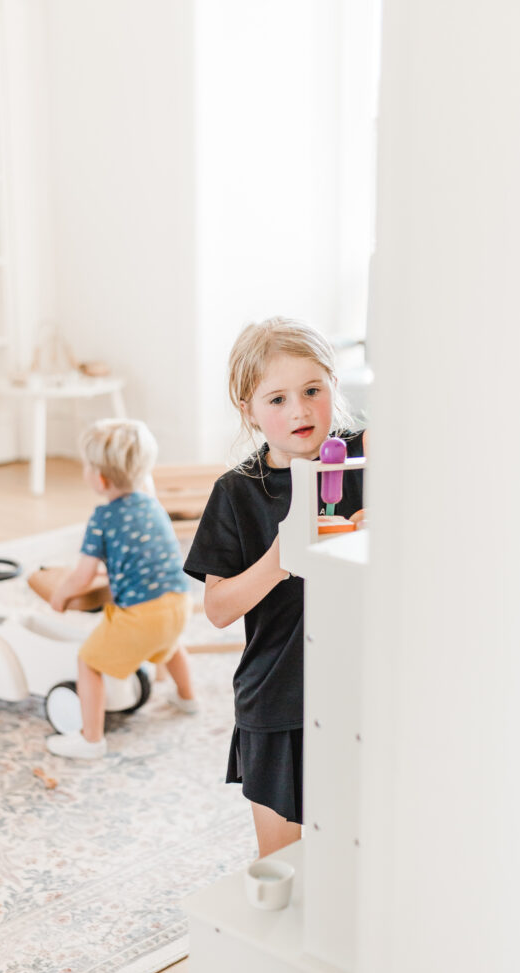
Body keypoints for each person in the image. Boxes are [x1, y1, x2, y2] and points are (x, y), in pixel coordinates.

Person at [183, 317, 365, 857]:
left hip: (360, 691)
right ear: (249, 408)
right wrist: (281, 557)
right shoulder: (237, 492)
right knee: (285, 862)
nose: (300, 411)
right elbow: (217, 609)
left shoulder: (365, 456)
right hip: (278, 697)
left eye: (313, 390)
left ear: (334, 384)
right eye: (278, 398)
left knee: (355, 848)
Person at [47, 418, 197, 759]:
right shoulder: (153, 504)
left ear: (99, 479)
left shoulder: (102, 518)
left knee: (88, 661)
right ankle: (188, 698)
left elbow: (83, 576)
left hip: (141, 615)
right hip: (178, 603)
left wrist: (61, 594)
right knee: (170, 645)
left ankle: (91, 739)